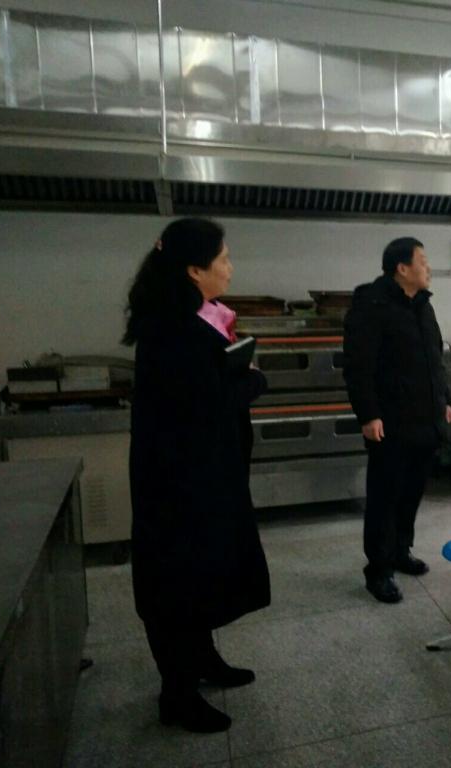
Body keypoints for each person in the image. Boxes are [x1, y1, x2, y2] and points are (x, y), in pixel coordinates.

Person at [123, 217, 270, 734]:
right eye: (223, 259)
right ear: (193, 269)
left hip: (202, 473)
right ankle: (177, 694)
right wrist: (253, 381)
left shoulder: (190, 317)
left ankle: (203, 659)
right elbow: (204, 402)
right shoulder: (172, 329)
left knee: (204, 572)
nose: (230, 268)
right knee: (177, 582)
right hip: (178, 483)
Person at [343, 237, 451, 604]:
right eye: (422, 261)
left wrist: (445, 399)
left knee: (411, 494)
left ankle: (401, 551)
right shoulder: (372, 305)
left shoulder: (422, 305)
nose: (428, 268)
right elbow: (358, 366)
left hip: (425, 420)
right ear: (402, 268)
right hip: (390, 423)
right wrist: (368, 414)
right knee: (385, 498)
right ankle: (378, 570)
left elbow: (435, 358)